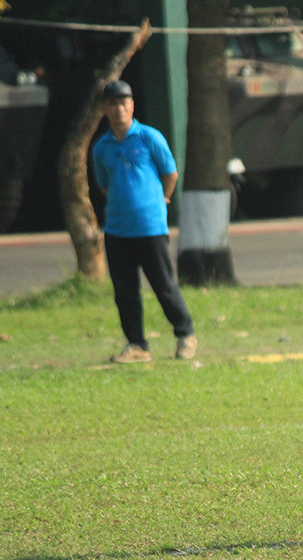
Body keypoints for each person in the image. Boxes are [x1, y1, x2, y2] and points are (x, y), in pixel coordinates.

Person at [92, 80, 196, 363]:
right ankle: (137, 344)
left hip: (150, 227)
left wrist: (159, 200)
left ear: (132, 105)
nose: (119, 108)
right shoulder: (101, 148)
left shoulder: (149, 137)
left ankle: (185, 334)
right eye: (113, 103)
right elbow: (104, 185)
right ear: (105, 109)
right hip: (116, 230)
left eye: (124, 102)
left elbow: (170, 173)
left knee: (163, 284)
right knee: (125, 291)